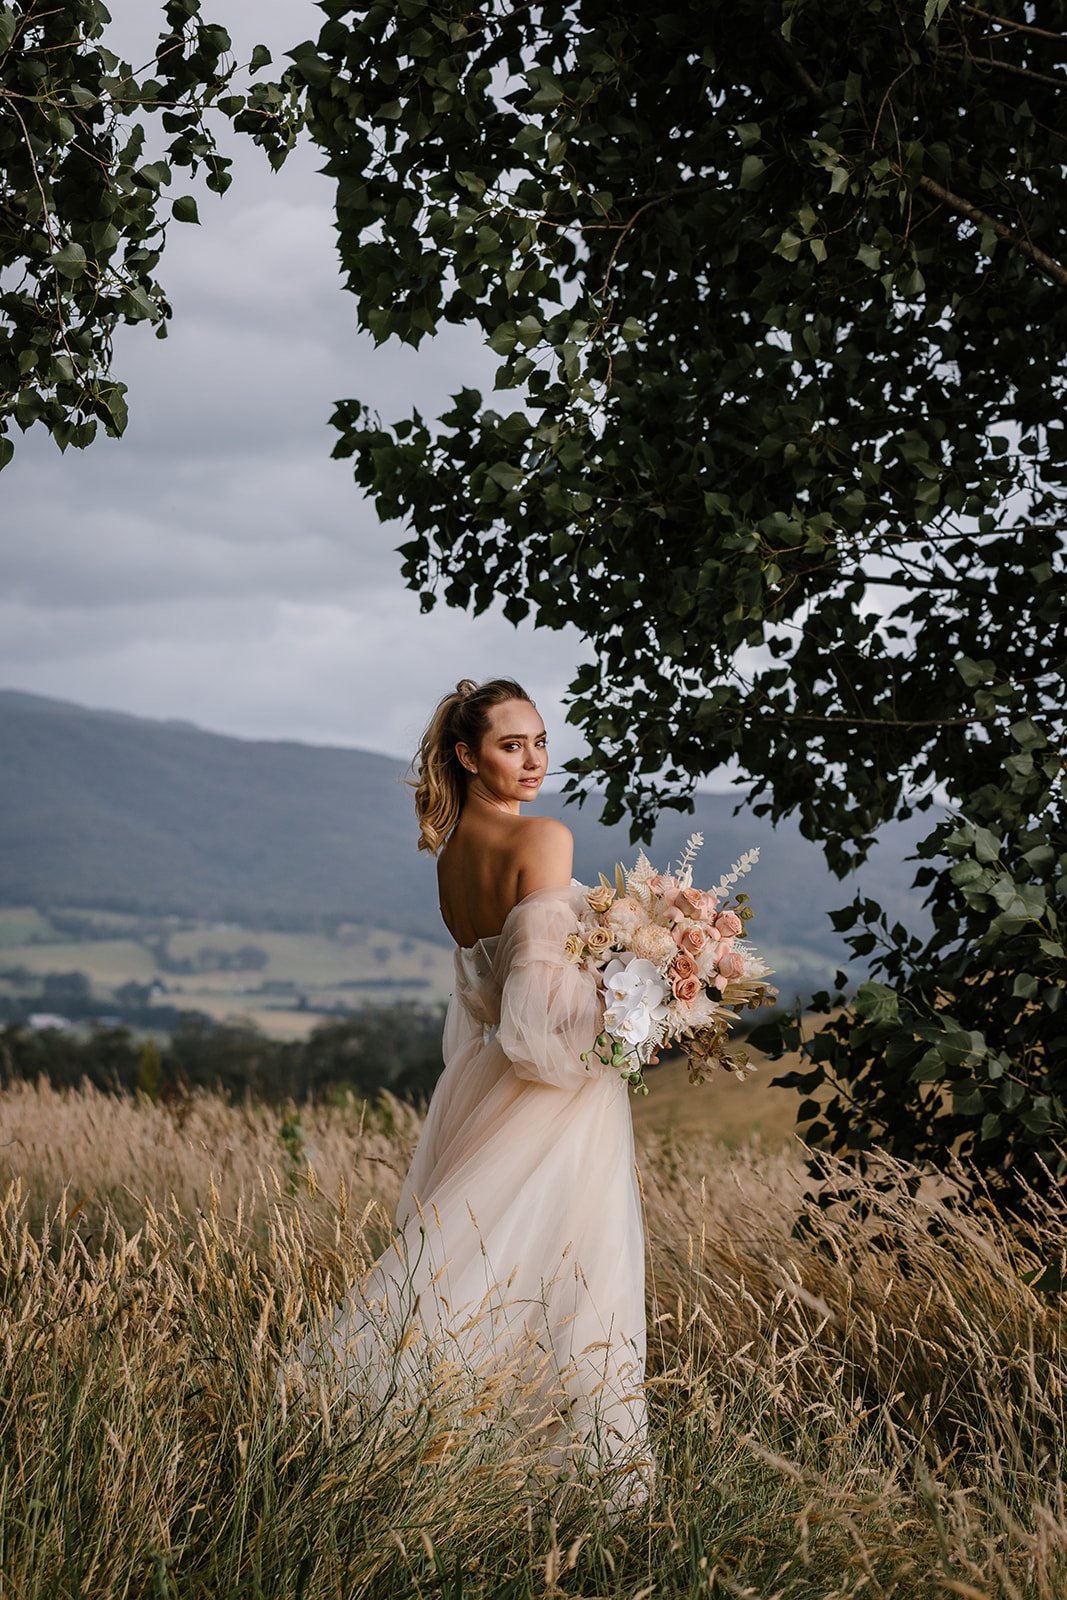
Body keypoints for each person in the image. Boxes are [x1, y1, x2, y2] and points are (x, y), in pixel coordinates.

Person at [290, 677, 650, 1507]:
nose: (532, 761)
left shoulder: (453, 853)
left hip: (483, 1078)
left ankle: (439, 1452)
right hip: (548, 1090)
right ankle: (569, 1481)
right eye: (508, 745)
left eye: (538, 743)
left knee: (478, 1261)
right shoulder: (545, 840)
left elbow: (489, 998)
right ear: (467, 755)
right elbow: (539, 1013)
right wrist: (638, 1000)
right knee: (562, 1270)